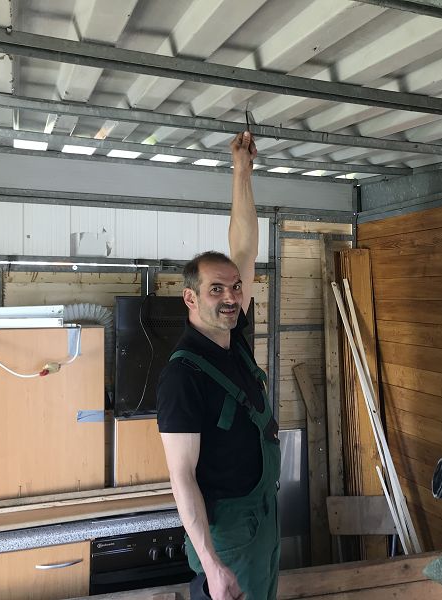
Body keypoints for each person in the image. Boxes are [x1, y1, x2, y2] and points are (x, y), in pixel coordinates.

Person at [157, 131, 280, 600]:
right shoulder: (182, 376)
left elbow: (244, 249)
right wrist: (211, 564)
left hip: (262, 519)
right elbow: (181, 477)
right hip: (227, 537)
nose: (231, 296)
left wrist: (242, 170)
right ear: (190, 298)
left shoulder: (235, 339)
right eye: (216, 289)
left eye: (235, 287)